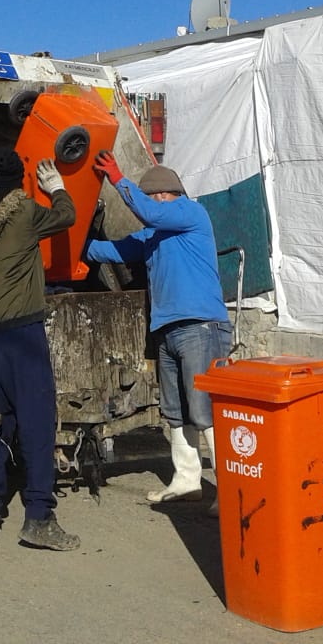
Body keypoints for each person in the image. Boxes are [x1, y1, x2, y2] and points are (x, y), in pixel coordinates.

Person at [0, 148, 81, 550]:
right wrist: (56, 188)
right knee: (37, 428)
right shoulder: (24, 215)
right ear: (19, 183)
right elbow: (67, 215)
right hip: (23, 338)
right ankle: (39, 517)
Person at [86, 151, 231, 512]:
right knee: (176, 410)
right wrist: (73, 241)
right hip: (168, 329)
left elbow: (149, 213)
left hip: (200, 326)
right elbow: (112, 250)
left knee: (205, 410)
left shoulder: (190, 212)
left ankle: (234, 490)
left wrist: (117, 178)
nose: (148, 206)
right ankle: (186, 481)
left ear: (166, 196)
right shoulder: (154, 234)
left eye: (152, 198)